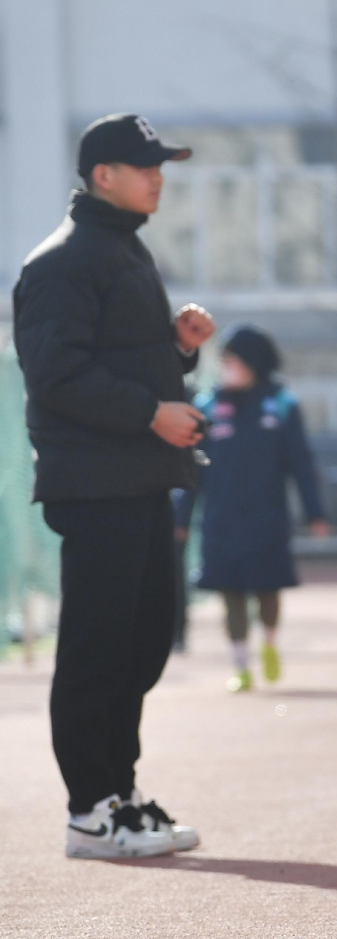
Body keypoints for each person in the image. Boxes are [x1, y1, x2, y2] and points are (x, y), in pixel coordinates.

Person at [14, 113, 215, 859]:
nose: (158, 175)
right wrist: (150, 414)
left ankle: (121, 796)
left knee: (141, 642)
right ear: (103, 174)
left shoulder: (122, 250)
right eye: (144, 165)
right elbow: (56, 377)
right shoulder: (64, 262)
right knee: (99, 649)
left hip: (136, 478)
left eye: (159, 164)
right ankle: (90, 810)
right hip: (96, 484)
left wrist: (176, 350)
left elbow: (117, 362)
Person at [177, 325, 330, 693]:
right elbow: (190, 468)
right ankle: (241, 663)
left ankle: (270, 644)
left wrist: (315, 512)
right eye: (225, 360)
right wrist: (182, 517)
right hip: (221, 520)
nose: (228, 367)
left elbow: (301, 464)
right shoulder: (209, 407)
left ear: (254, 363)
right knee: (229, 591)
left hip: (268, 518)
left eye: (235, 360)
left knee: (267, 589)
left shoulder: (281, 405)